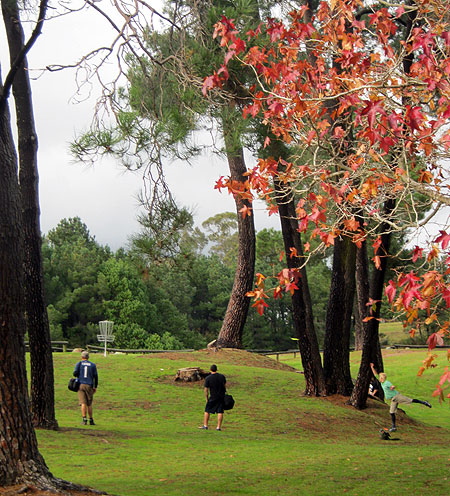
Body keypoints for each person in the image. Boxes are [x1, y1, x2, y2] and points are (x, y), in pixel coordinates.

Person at [370, 363, 431, 432]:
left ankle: (424, 402)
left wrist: (392, 387)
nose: (379, 378)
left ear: (382, 378)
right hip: (393, 400)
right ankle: (394, 427)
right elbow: (375, 374)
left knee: (410, 400)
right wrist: (372, 367)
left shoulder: (386, 382)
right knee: (392, 412)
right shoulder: (382, 383)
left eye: (380, 378)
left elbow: (391, 386)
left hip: (397, 396)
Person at [73, 350, 98, 426]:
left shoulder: (79, 364)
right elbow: (95, 376)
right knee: (89, 403)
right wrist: (95, 386)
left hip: (81, 385)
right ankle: (91, 419)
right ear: (88, 357)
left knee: (83, 403)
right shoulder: (92, 365)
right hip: (89, 385)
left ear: (81, 357)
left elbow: (75, 373)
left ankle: (84, 419)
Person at [199, 364, 226, 431]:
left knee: (207, 410)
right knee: (220, 411)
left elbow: (206, 390)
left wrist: (206, 398)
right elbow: (224, 386)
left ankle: (205, 425)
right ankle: (218, 427)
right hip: (221, 396)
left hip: (213, 396)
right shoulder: (222, 377)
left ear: (210, 370)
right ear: (216, 369)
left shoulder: (208, 378)